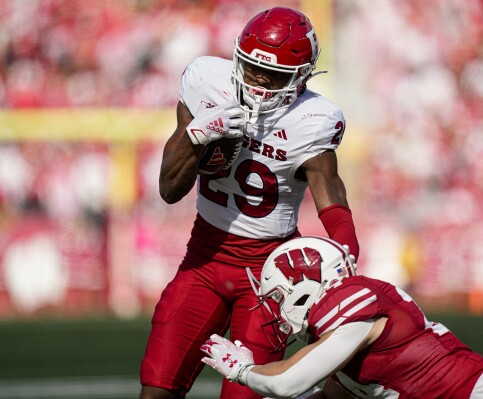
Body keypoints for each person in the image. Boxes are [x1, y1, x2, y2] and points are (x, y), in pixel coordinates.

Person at [139, 7, 359, 399]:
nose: (258, 82)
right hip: (203, 260)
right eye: (252, 68)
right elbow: (169, 189)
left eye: (272, 75)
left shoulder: (313, 118)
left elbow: (330, 189)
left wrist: (347, 249)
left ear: (301, 77)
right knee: (156, 389)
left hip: (268, 275)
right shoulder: (207, 81)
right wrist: (196, 134)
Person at [201, 236, 483, 399]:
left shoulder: (352, 299)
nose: (277, 310)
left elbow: (289, 382)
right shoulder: (343, 349)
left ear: (304, 287)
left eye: (278, 298)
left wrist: (244, 372)